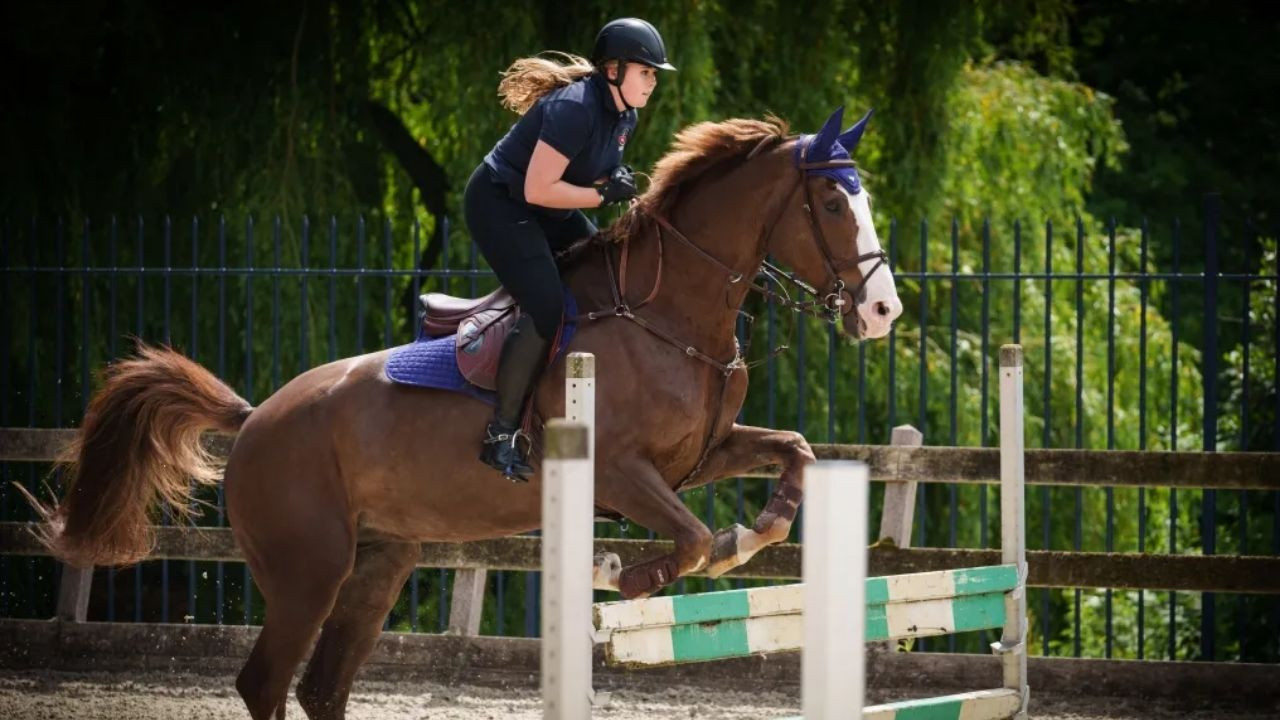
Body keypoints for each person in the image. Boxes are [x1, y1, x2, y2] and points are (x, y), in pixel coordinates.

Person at [465, 18, 676, 481]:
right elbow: (539, 189)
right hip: (501, 203)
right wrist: (602, 196)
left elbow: (578, 176)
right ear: (615, 70)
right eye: (647, 72)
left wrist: (609, 183)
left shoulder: (625, 116)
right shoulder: (575, 108)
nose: (654, 81)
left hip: (539, 206)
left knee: (602, 270)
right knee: (545, 306)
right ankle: (501, 433)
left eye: (656, 74)